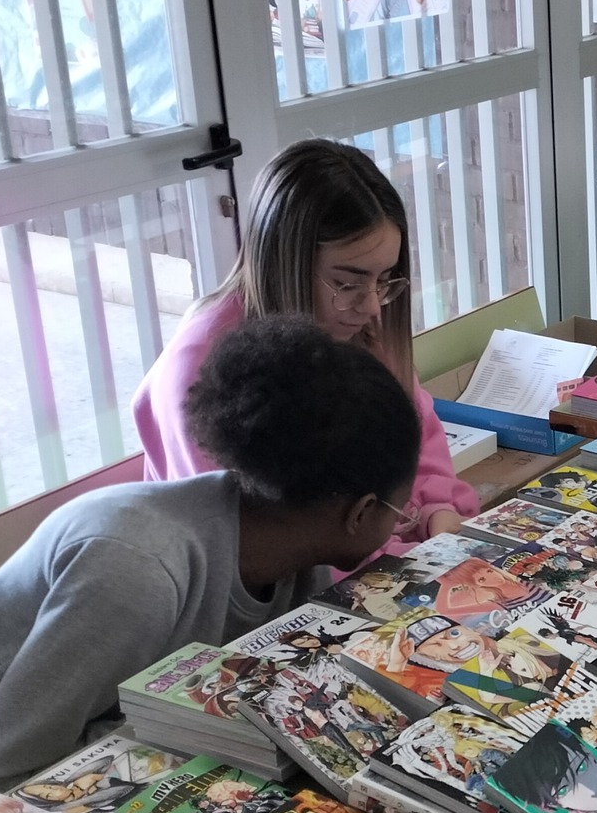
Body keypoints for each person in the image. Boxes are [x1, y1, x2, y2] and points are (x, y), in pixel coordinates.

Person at [0, 318, 422, 813]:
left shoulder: (293, 547)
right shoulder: (137, 570)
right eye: (401, 510)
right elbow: (4, 782)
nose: (404, 519)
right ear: (360, 512)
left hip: (126, 738)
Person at [131, 139, 478, 550]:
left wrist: (438, 511)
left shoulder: (351, 322)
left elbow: (415, 444)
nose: (371, 306)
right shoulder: (202, 370)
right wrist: (395, 555)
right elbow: (259, 546)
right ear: (285, 264)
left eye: (384, 280)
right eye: (347, 282)